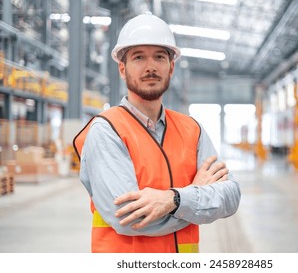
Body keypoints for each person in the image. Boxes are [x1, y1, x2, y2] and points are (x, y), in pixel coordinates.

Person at [73, 13, 241, 253]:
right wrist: (196, 197)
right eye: (139, 57)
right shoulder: (107, 130)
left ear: (171, 67)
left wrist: (174, 199)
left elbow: (231, 196)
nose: (150, 67)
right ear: (122, 68)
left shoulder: (192, 129)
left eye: (159, 57)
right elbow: (129, 218)